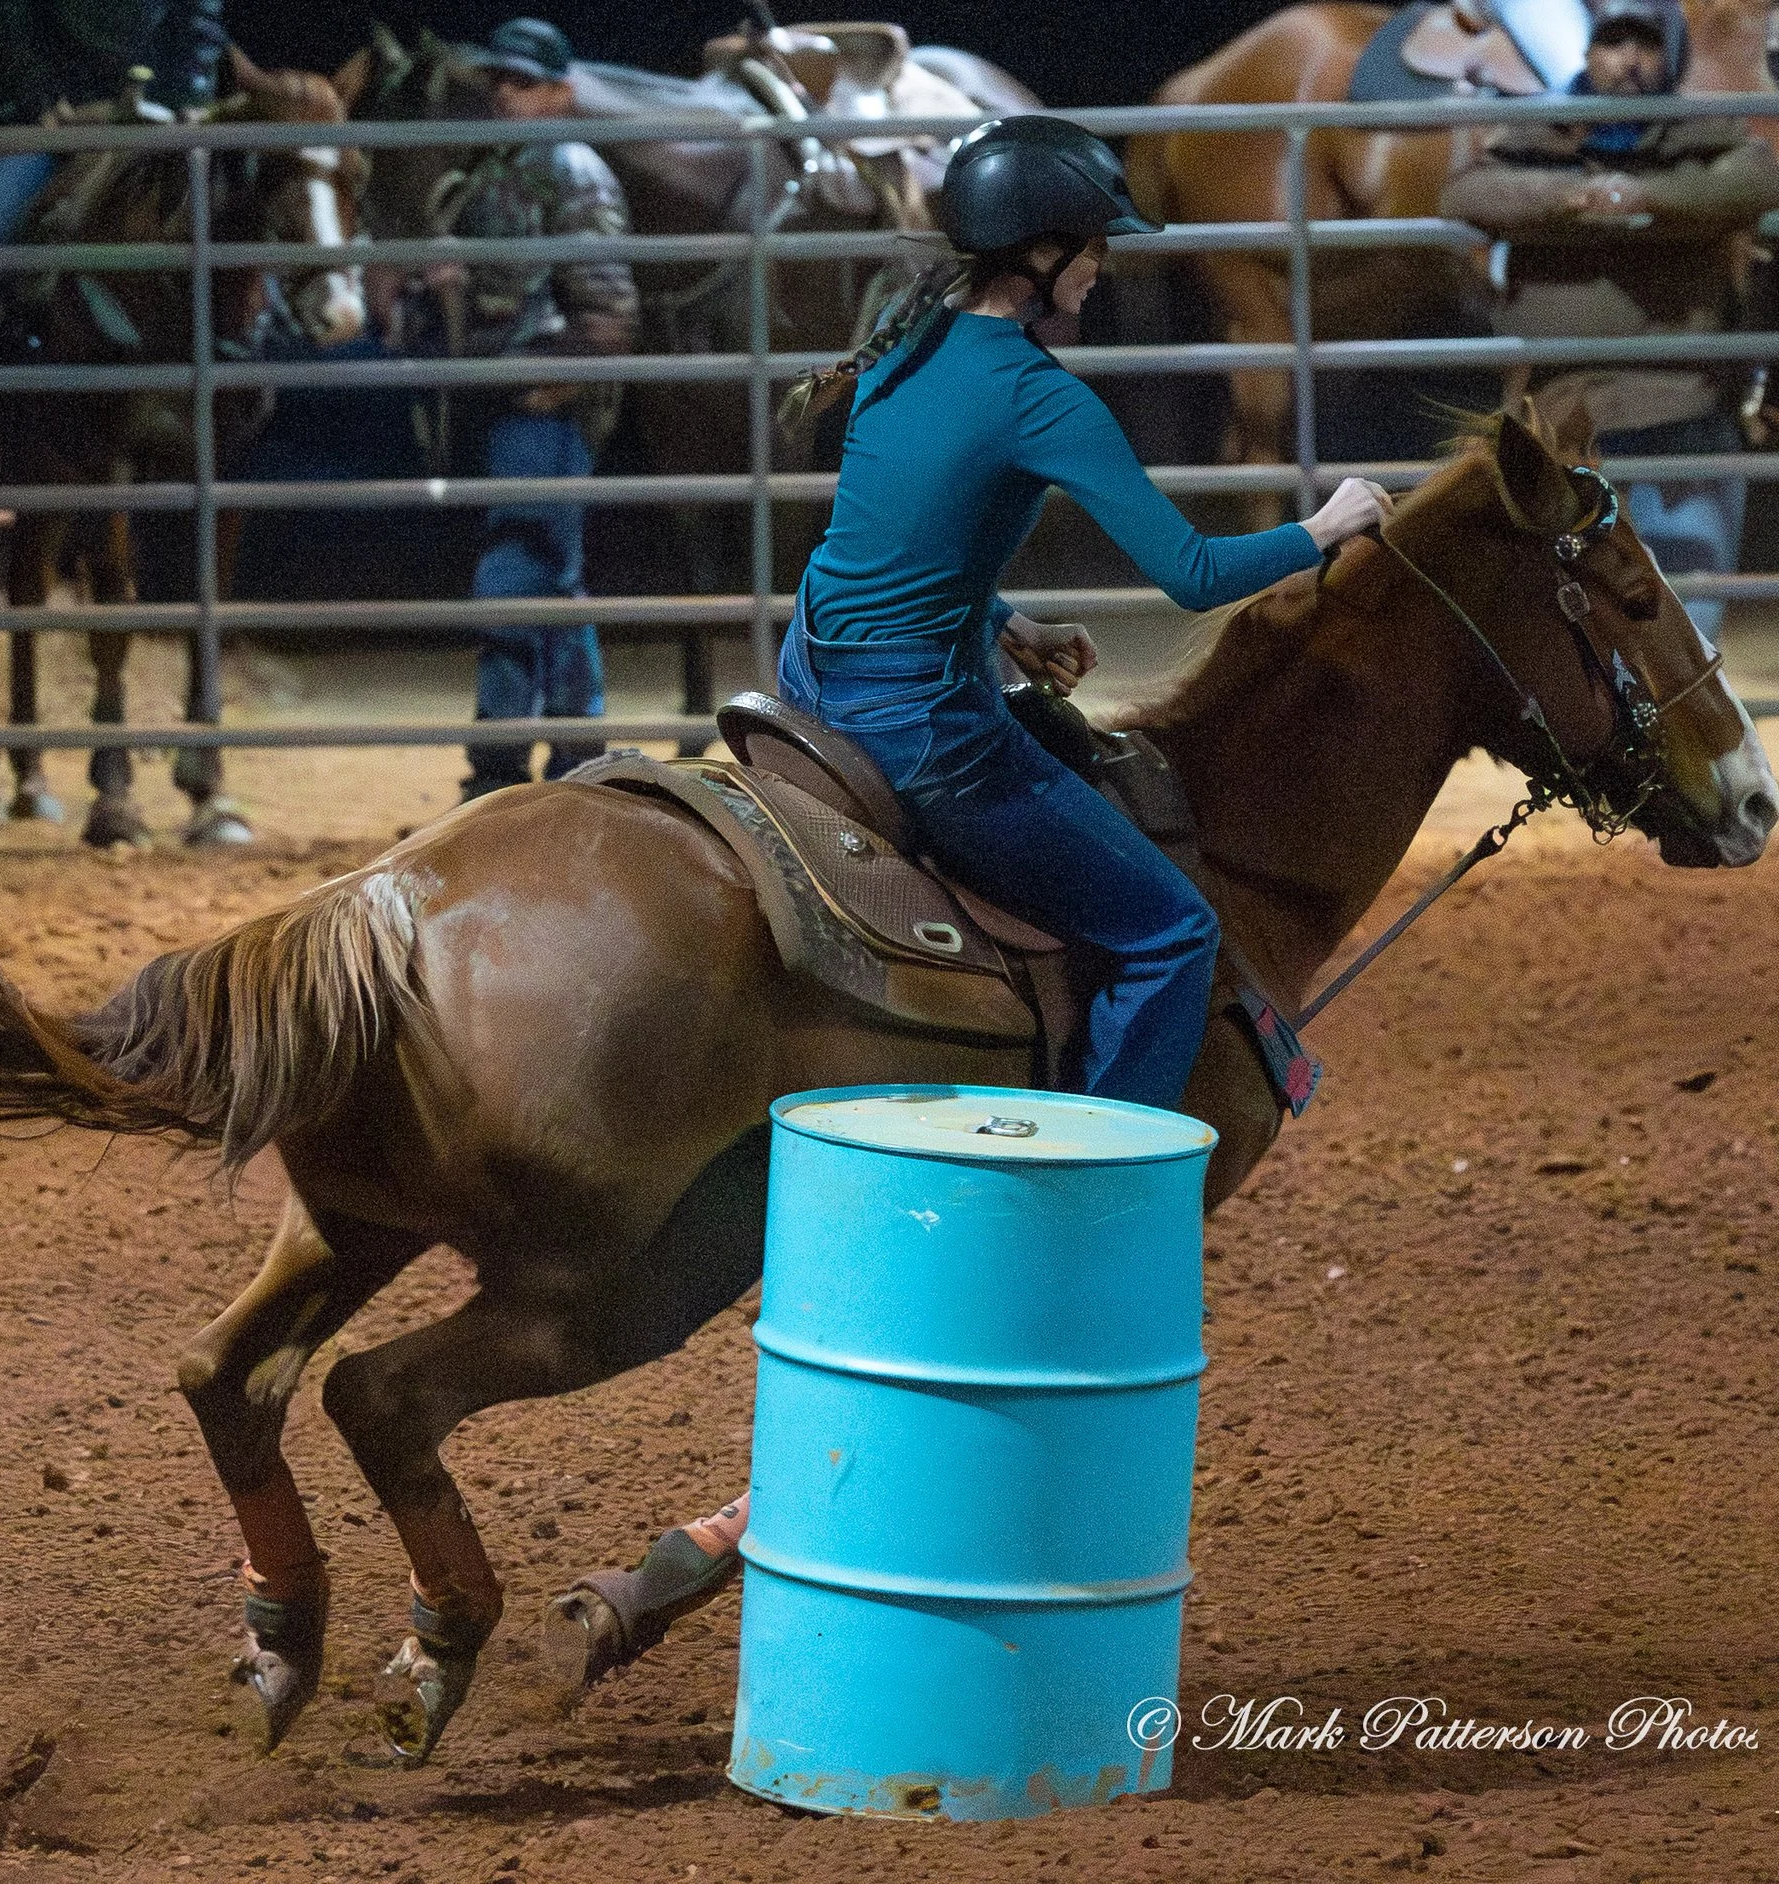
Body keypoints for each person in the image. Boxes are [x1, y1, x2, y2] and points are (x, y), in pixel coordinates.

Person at [542, 114, 1392, 1680]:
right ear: (1055, 256)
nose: (1102, 273)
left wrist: (1000, 616)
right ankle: (1096, 1189)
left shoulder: (907, 351)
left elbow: (896, 536)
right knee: (1170, 928)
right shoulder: (1033, 390)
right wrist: (1327, 530)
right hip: (924, 729)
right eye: (1096, 249)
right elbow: (1201, 578)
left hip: (822, 680)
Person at [1440, 1, 1779, 730]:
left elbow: (1758, 182)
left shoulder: (1704, 133)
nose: (1628, 60)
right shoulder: (1538, 135)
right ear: (1586, 52)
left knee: (1689, 619)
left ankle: (1686, 764)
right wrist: (1568, 198)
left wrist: (1647, 196)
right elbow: (1469, 191)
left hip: (1678, 411)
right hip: (1571, 423)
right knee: (1580, 624)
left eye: (1645, 44)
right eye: (1612, 41)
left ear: (1671, 54)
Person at [435, 18, 640, 798]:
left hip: (540, 409)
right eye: (498, 81)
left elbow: (608, 306)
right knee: (550, 575)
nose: (503, 94)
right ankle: (577, 753)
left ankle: (497, 766)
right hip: (514, 401)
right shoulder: (502, 168)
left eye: (522, 82)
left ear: (561, 92)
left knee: (516, 572)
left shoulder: (566, 168)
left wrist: (549, 388)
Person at [0, 0, 231, 363]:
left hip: (158, 122)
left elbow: (200, 27)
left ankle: (230, 360)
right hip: (56, 121)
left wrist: (182, 100)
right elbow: (7, 21)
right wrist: (40, 99)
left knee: (229, 224)